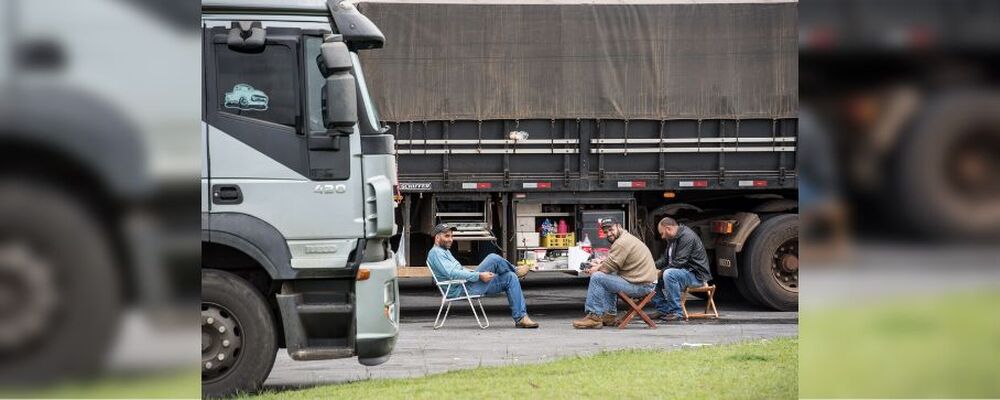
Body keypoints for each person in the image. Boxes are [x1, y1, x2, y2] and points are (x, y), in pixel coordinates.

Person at [426, 223, 538, 328]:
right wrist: (479, 275)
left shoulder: (444, 251)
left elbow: (459, 270)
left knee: (510, 277)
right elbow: (452, 274)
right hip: (460, 288)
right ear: (437, 238)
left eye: (451, 236)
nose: (451, 239)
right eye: (447, 236)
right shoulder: (436, 253)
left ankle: (521, 318)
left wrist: (475, 273)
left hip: (465, 285)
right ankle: (516, 270)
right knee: (493, 258)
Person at [572, 218, 658, 329]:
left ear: (619, 226)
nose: (609, 233)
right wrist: (600, 264)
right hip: (643, 282)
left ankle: (594, 317)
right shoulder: (625, 238)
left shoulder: (622, 242)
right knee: (608, 278)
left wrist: (595, 269)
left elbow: (607, 268)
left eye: (611, 229)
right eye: (606, 232)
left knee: (598, 277)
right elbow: (612, 263)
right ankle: (609, 316)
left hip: (642, 286)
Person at [649, 217, 712, 322]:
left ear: (668, 228)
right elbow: (665, 259)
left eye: (662, 233)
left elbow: (679, 262)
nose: (662, 237)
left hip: (696, 276)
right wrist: (651, 267)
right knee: (649, 277)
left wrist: (661, 272)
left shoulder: (687, 237)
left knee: (669, 274)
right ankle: (663, 309)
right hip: (683, 273)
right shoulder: (672, 239)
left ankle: (676, 312)